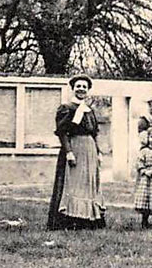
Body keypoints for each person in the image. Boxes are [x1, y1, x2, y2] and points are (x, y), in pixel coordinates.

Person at [48, 74, 106, 230]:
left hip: (90, 149)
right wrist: (69, 152)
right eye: (78, 86)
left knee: (89, 182)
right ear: (73, 89)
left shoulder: (90, 110)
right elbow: (62, 132)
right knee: (74, 182)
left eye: (84, 87)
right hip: (75, 147)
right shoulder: (66, 108)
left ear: (88, 91)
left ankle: (89, 219)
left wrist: (98, 152)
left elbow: (95, 133)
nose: (81, 89)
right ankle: (71, 219)